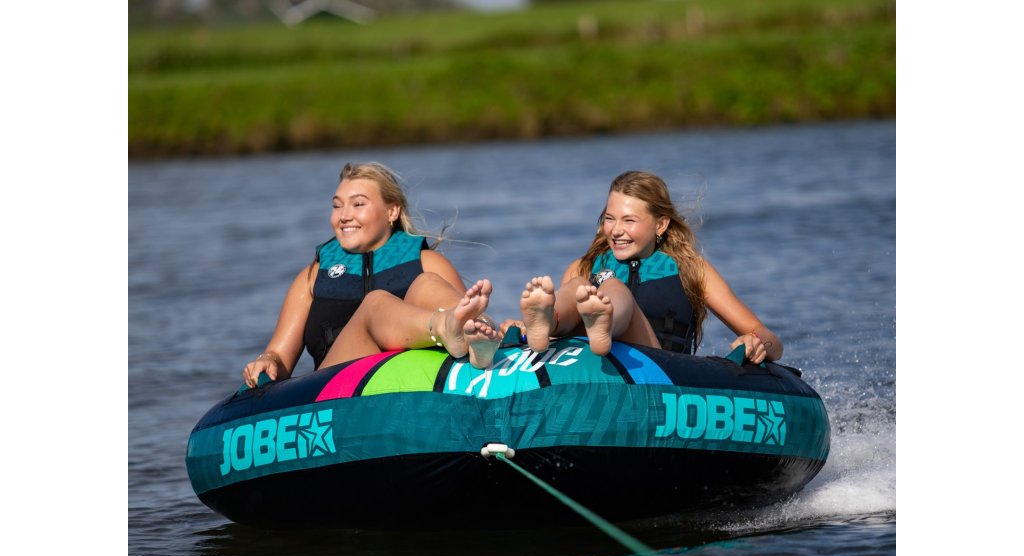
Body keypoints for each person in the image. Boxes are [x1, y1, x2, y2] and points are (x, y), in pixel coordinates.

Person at [242, 162, 500, 389]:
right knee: (375, 305)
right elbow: (278, 357)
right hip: (334, 389)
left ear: (392, 212)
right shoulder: (312, 278)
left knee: (428, 283)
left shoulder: (427, 263)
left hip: (413, 381)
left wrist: (491, 328)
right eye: (337, 206)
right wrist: (267, 361)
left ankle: (487, 340)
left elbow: (463, 310)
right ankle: (443, 327)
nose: (344, 216)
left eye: (358, 204)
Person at [517, 170, 783, 363]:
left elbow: (769, 339)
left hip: (660, 374)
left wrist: (757, 342)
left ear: (661, 224)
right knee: (578, 284)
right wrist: (523, 331)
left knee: (613, 288)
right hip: (595, 371)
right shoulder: (584, 267)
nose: (616, 230)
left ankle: (604, 322)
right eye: (610, 218)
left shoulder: (691, 269)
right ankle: (548, 320)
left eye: (629, 220)